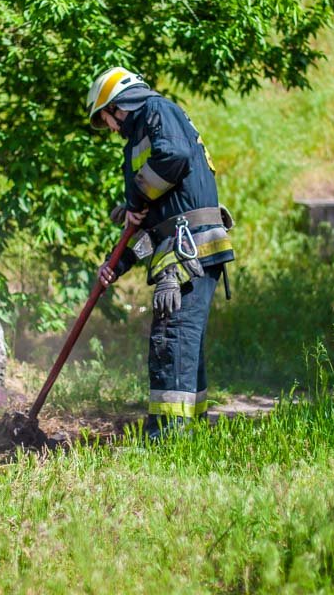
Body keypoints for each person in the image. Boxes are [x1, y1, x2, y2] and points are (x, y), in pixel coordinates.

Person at [86, 66, 234, 440]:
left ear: (117, 106)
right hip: (179, 250)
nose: (111, 128)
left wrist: (135, 197)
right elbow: (149, 229)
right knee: (183, 345)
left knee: (172, 341)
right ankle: (188, 435)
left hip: (189, 254)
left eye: (106, 120)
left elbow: (175, 156)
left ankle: (168, 439)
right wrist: (115, 265)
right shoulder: (136, 147)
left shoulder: (157, 111)